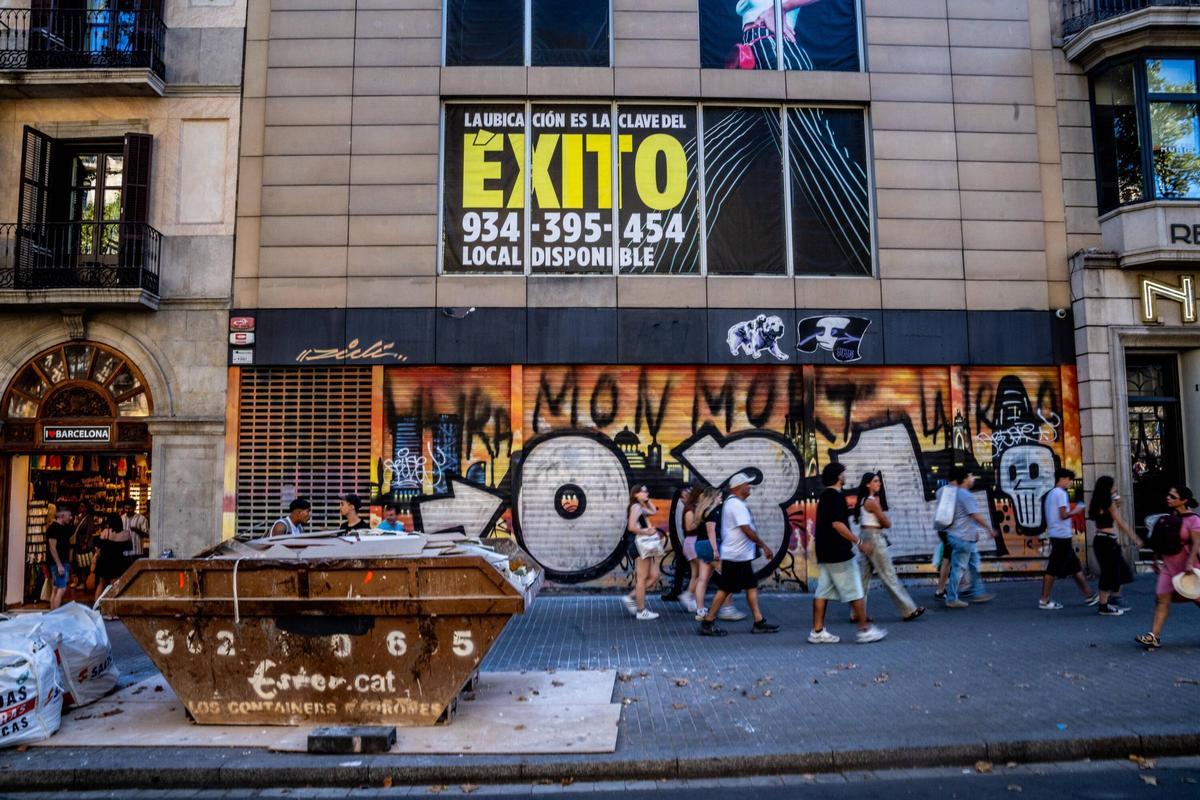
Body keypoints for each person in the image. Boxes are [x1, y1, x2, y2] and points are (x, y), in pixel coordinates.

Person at [808, 463, 886, 644]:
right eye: (843, 473)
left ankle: (817, 632)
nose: (845, 475)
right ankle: (865, 630)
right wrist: (859, 542)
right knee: (856, 590)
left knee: (822, 592)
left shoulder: (825, 495)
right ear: (837, 476)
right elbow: (837, 524)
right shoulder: (835, 496)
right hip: (838, 552)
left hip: (826, 551)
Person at [698, 472, 779, 636]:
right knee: (725, 589)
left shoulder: (735, 503)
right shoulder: (736, 505)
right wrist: (763, 546)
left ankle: (758, 621)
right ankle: (708, 622)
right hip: (734, 556)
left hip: (741, 555)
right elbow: (746, 529)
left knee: (751, 587)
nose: (749, 487)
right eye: (747, 484)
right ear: (738, 487)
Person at [1135, 485, 1200, 649]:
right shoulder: (1168, 518)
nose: (1168, 498)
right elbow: (1162, 541)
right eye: (1168, 495)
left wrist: (1190, 562)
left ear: (1184, 500)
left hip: (1188, 567)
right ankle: (1154, 636)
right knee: (1161, 598)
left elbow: (1196, 543)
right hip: (1169, 566)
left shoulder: (1193, 520)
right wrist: (1155, 558)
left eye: (1173, 496)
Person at [853, 472, 924, 622]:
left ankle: (856, 613)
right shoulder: (872, 502)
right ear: (868, 484)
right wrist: (881, 512)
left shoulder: (863, 500)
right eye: (875, 481)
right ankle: (909, 610)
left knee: (863, 578)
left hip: (865, 536)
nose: (879, 483)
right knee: (889, 575)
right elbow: (887, 523)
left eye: (879, 481)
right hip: (875, 538)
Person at [1039, 469, 1099, 610]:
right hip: (1061, 537)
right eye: (1070, 479)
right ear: (1062, 478)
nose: (1071, 482)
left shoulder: (1051, 494)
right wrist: (1077, 510)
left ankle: (1089, 595)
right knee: (1053, 569)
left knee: (1075, 567)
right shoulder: (1060, 494)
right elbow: (1063, 515)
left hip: (1058, 535)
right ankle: (1044, 600)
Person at [943, 467, 999, 609]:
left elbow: (965, 516)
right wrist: (989, 528)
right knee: (958, 569)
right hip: (962, 538)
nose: (973, 478)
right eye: (971, 476)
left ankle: (977, 591)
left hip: (961, 536)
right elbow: (975, 515)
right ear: (965, 479)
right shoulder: (964, 495)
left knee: (973, 563)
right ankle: (951, 598)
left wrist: (974, 531)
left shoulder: (956, 493)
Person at [1087, 476, 1140, 616]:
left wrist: (1116, 503)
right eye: (1113, 485)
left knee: (1120, 570)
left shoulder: (1098, 502)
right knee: (1109, 573)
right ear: (1108, 487)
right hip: (1108, 541)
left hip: (1100, 540)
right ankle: (1104, 606)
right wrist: (1135, 538)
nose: (1115, 487)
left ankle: (1114, 598)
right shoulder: (1108, 503)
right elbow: (1120, 522)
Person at [622, 485, 665, 621]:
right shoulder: (635, 507)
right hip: (639, 544)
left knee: (654, 575)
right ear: (636, 494)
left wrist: (646, 500)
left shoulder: (640, 507)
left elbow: (653, 511)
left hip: (645, 545)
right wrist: (647, 532)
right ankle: (641, 610)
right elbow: (631, 527)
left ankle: (631, 597)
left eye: (647, 490)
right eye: (643, 491)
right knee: (642, 578)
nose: (647, 493)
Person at [91, 512, 131, 611]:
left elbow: (99, 548)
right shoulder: (126, 533)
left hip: (105, 561)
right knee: (114, 586)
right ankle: (112, 608)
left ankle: (96, 607)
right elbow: (129, 548)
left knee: (101, 584)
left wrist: (95, 559)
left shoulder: (105, 532)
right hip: (118, 561)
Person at [44, 505, 74, 610]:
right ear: (62, 515)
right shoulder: (53, 528)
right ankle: (56, 614)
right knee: (61, 588)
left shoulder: (62, 528)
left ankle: (53, 613)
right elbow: (52, 547)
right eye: (69, 515)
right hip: (58, 563)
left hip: (60, 562)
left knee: (56, 588)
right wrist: (59, 565)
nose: (70, 518)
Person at [70, 500, 96, 589]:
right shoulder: (80, 516)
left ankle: (83, 582)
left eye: (82, 506)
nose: (80, 508)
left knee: (83, 562)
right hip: (77, 542)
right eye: (80, 506)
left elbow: (89, 531)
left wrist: (85, 542)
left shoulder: (89, 517)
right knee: (77, 562)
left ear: (86, 507)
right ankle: (78, 580)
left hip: (84, 542)